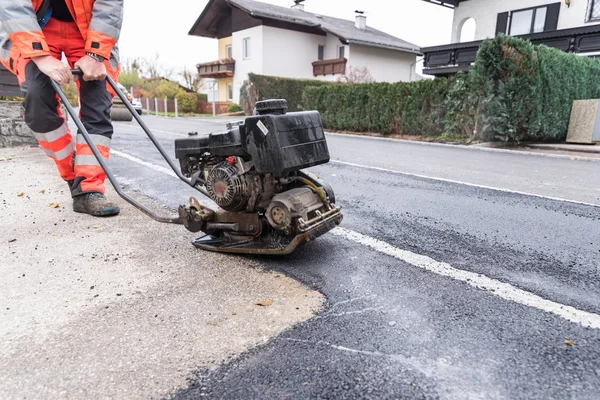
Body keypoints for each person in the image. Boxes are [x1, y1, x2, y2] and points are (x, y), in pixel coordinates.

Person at [0, 0, 124, 216]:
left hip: (87, 28)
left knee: (98, 101)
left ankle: (89, 189)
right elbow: (13, 5)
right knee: (37, 97)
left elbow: (110, 4)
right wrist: (39, 55)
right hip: (34, 26)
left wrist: (95, 54)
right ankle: (72, 175)